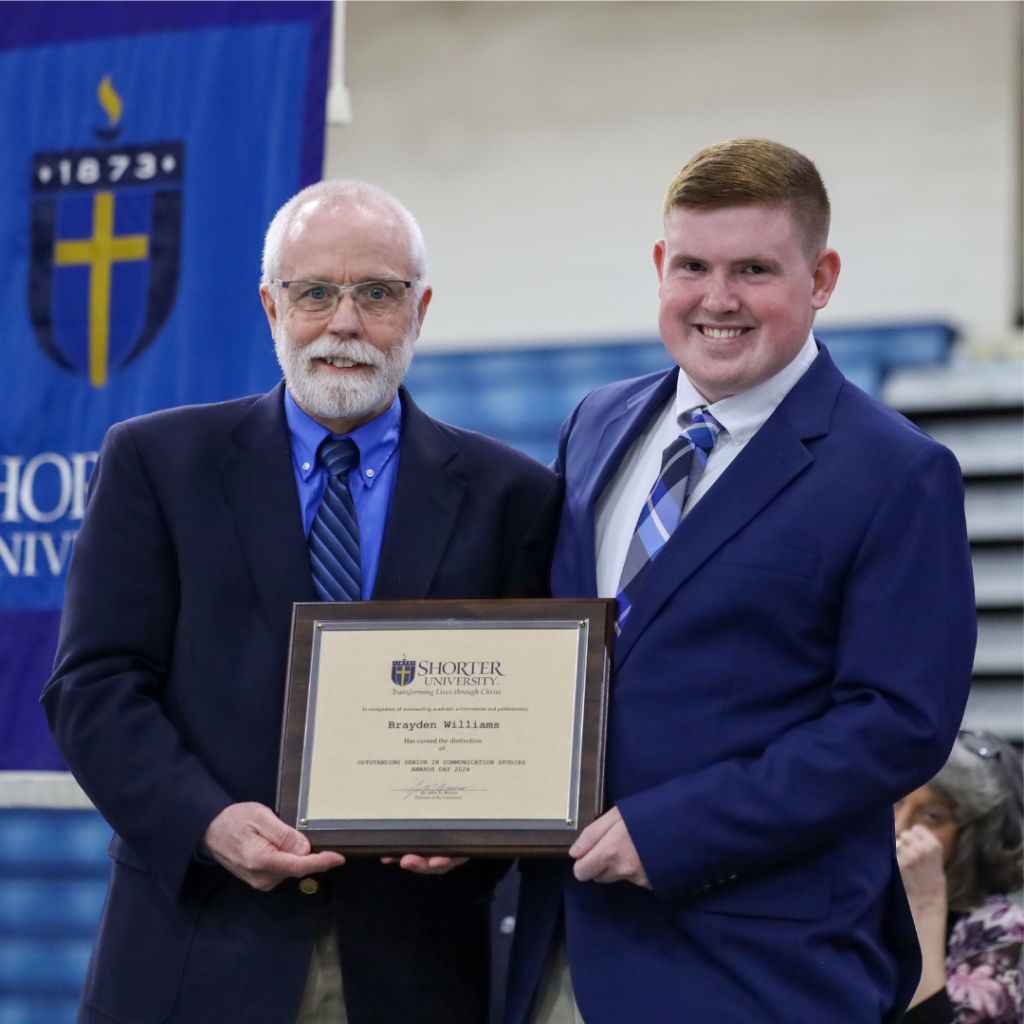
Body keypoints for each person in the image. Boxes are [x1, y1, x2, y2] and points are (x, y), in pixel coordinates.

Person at [42, 180, 562, 1024]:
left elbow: (533, 718)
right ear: (270, 306)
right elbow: (92, 687)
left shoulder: (515, 496)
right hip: (195, 950)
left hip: (415, 969)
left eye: (377, 294)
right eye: (314, 292)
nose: (343, 324)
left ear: (420, 309)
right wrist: (207, 821)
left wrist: (478, 832)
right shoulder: (155, 463)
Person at [505, 139, 978, 1024]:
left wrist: (677, 829)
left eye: (754, 268)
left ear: (822, 276)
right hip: (558, 947)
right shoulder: (597, 423)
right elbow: (554, 651)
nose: (717, 299)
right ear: (659, 267)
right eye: (692, 266)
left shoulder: (897, 471)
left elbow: (897, 724)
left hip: (756, 965)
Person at [896, 729, 1023, 1024]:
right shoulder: (862, 908)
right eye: (896, 802)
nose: (899, 828)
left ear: (975, 838)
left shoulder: (1006, 934)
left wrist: (926, 905)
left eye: (931, 817)